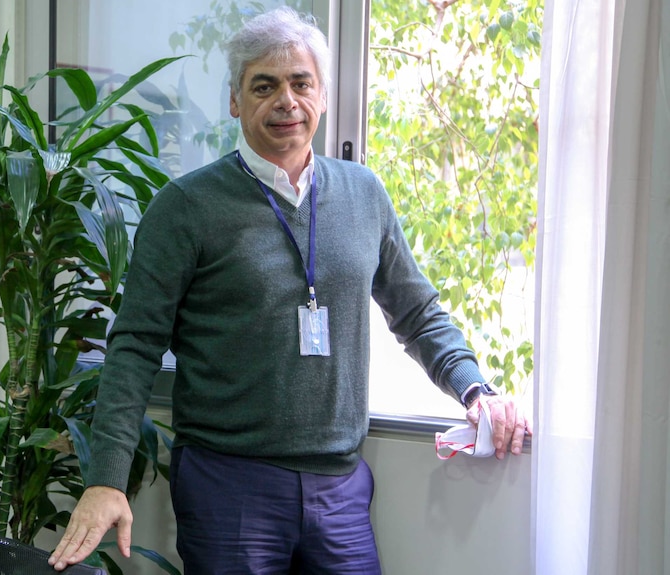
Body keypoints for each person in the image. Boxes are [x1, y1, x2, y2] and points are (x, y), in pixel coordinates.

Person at [49, 6, 530, 574]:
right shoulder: (185, 207)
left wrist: (476, 391)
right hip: (229, 486)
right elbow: (133, 347)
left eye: (301, 83)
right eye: (265, 85)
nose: (287, 101)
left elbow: (418, 313)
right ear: (235, 101)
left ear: (322, 96)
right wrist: (107, 479)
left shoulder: (363, 194)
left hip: (340, 487)